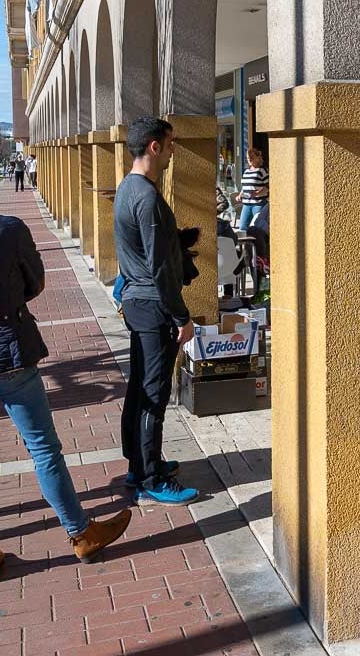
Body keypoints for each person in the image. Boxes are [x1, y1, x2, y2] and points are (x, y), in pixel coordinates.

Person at [0, 146, 131, 583]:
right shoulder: (7, 229)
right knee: (42, 448)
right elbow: (34, 282)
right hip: (7, 350)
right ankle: (80, 532)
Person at [115, 117, 196, 505]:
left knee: (139, 388)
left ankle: (140, 463)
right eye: (170, 144)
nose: (173, 150)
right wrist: (182, 317)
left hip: (140, 301)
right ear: (153, 147)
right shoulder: (146, 197)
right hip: (153, 306)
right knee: (154, 392)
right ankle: (150, 477)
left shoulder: (129, 189)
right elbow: (160, 268)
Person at [235, 147, 268, 233]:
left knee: (257, 229)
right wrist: (240, 195)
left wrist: (257, 193)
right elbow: (245, 187)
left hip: (258, 204)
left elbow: (269, 185)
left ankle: (258, 246)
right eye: (248, 158)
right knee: (242, 227)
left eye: (251, 157)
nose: (249, 159)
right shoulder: (246, 171)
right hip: (246, 204)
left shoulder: (262, 170)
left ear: (258, 157)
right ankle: (246, 246)